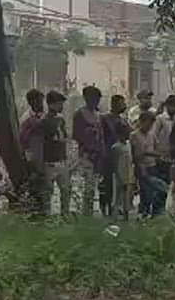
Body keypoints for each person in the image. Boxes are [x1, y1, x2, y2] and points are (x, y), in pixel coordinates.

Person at [72, 85, 106, 217]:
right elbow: (76, 135)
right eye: (94, 99)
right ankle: (85, 213)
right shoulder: (79, 115)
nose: (96, 102)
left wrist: (102, 152)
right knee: (87, 185)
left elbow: (101, 136)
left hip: (97, 155)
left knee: (94, 185)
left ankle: (89, 211)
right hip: (86, 154)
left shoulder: (98, 115)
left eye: (98, 99)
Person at [40, 90, 71, 216]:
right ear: (51, 104)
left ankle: (65, 213)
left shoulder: (61, 119)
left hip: (61, 159)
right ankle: (47, 214)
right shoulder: (44, 121)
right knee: (48, 190)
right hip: (49, 160)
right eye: (59, 104)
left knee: (66, 189)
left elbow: (65, 137)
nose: (61, 106)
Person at [102, 95, 133, 219]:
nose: (124, 106)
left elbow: (130, 132)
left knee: (122, 183)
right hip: (108, 155)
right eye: (121, 103)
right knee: (109, 184)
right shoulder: (105, 119)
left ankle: (119, 208)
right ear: (114, 104)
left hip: (122, 155)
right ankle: (108, 208)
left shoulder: (123, 120)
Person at [153, 95, 175, 216]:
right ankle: (157, 210)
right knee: (162, 185)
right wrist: (156, 154)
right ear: (169, 106)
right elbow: (154, 136)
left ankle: (172, 211)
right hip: (162, 157)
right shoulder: (160, 119)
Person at [131, 110, 164, 217]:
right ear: (141, 122)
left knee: (154, 190)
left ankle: (151, 212)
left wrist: (158, 156)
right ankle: (142, 212)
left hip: (152, 165)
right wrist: (150, 153)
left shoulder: (151, 134)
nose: (149, 126)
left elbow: (156, 147)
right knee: (145, 191)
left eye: (151, 124)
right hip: (141, 166)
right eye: (148, 123)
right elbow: (137, 154)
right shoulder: (134, 135)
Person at [19, 89, 47, 212]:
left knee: (45, 187)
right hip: (33, 155)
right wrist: (33, 127)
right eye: (39, 101)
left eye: (42, 101)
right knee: (34, 184)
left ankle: (43, 212)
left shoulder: (46, 115)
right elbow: (22, 139)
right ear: (31, 102)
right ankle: (34, 211)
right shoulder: (26, 118)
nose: (42, 104)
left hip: (46, 156)